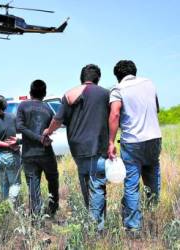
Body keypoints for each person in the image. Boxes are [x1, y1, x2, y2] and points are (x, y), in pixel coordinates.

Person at [44, 64, 109, 230]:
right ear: (98, 78)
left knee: (87, 185)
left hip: (78, 149)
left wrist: (48, 131)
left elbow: (57, 120)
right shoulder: (105, 94)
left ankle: (95, 223)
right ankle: (98, 227)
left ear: (81, 78)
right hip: (98, 147)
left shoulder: (69, 94)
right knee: (98, 186)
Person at [108, 60, 162, 232]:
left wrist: (111, 141)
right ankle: (153, 213)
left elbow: (115, 113)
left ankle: (133, 226)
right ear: (134, 71)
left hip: (132, 141)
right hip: (154, 138)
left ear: (117, 76)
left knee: (131, 184)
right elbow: (157, 109)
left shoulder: (118, 89)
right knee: (152, 175)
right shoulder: (149, 83)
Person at [16, 79, 59, 216]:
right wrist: (42, 137)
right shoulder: (48, 108)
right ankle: (52, 209)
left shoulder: (22, 106)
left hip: (29, 154)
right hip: (46, 152)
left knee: (33, 183)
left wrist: (37, 137)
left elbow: (20, 127)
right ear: (44, 93)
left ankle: (36, 215)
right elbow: (52, 127)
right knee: (53, 179)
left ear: (30, 92)